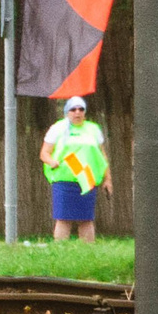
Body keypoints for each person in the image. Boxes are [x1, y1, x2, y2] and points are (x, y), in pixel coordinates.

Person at [41, 95, 111, 240]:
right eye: (73, 109)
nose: (77, 112)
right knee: (63, 218)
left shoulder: (93, 129)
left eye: (81, 109)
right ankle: (60, 251)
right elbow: (44, 153)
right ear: (67, 112)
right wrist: (52, 161)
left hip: (86, 178)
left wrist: (107, 179)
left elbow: (101, 156)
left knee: (86, 218)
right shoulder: (57, 128)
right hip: (64, 179)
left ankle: (88, 251)